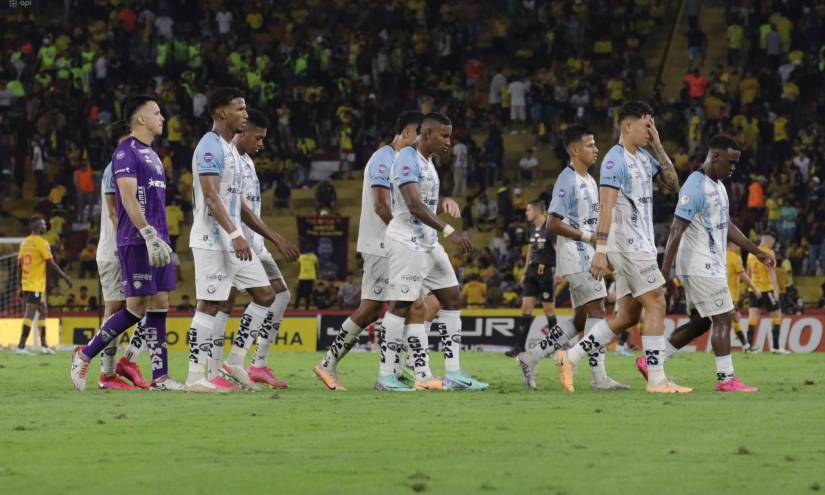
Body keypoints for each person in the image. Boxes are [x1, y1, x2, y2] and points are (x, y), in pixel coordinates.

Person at [556, 101, 688, 394]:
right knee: (657, 301)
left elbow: (673, 183)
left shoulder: (643, 157)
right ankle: (657, 380)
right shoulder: (615, 160)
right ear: (628, 126)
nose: (650, 131)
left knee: (627, 315)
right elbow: (606, 207)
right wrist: (600, 251)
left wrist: (659, 147)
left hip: (641, 242)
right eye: (646, 125)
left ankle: (571, 356)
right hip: (627, 244)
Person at [314, 111, 450, 391]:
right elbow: (381, 205)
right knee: (396, 306)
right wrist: (403, 235)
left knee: (392, 306)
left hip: (398, 244)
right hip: (382, 244)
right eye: (418, 133)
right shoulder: (383, 159)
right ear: (406, 133)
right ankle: (402, 372)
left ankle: (402, 370)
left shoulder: (412, 162)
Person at [639, 135, 769, 392]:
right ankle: (726, 378)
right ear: (715, 157)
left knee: (702, 322)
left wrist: (757, 251)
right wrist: (665, 271)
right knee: (723, 318)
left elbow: (726, 225)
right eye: (730, 162)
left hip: (707, 265)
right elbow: (676, 230)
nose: (733, 168)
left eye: (736, 163)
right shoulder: (695, 186)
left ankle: (652, 360)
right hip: (702, 266)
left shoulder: (718, 186)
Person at [71, 95, 181, 391]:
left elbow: (156, 202)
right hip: (136, 241)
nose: (163, 118)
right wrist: (147, 234)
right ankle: (85, 354)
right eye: (157, 113)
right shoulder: (124, 153)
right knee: (135, 308)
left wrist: (162, 239)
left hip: (158, 241)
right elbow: (127, 200)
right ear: (141, 119)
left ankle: (161, 376)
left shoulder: (154, 155)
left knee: (160, 304)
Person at [184, 88, 291, 392]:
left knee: (266, 295)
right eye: (240, 109)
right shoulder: (209, 146)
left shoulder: (229, 149)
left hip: (234, 241)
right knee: (209, 303)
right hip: (212, 240)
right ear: (222, 113)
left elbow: (237, 204)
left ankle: (234, 361)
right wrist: (234, 235)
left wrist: (261, 234)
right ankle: (195, 377)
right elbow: (211, 196)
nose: (246, 114)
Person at [377, 112, 487, 391]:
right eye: (445, 136)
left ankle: (453, 372)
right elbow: (413, 204)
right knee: (402, 306)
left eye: (450, 136)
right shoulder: (406, 158)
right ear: (427, 135)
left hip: (427, 242)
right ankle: (385, 375)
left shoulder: (428, 164)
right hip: (406, 241)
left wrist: (444, 204)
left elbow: (425, 203)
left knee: (451, 297)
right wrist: (451, 231)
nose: (449, 142)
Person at [516, 125, 628, 390]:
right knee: (598, 309)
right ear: (575, 150)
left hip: (586, 252)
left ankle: (530, 357)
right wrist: (588, 238)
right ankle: (598, 377)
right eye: (590, 145)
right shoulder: (567, 180)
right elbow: (553, 224)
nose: (596, 149)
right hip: (576, 254)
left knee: (581, 319)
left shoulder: (589, 179)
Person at [210, 109, 298, 390]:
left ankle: (255, 364)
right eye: (258, 138)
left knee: (279, 295)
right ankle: (223, 365)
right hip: (239, 243)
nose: (261, 144)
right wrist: (276, 237)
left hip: (254, 244)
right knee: (232, 300)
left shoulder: (245, 160)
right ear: (243, 132)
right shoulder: (230, 158)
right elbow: (240, 209)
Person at [505, 200, 557, 357]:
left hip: (546, 271)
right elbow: (530, 250)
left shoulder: (550, 228)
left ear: (537, 211)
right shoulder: (532, 228)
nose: (526, 213)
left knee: (548, 309)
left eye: (528, 210)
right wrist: (525, 271)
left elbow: (558, 250)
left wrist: (560, 272)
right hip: (532, 273)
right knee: (526, 307)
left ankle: (555, 346)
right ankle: (519, 347)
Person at [16, 215, 73, 355]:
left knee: (43, 311)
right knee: (30, 314)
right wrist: (65, 277)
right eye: (42, 224)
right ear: (36, 227)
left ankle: (44, 345)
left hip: (29, 283)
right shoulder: (42, 243)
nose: (45, 226)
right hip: (35, 284)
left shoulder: (25, 243)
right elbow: (51, 263)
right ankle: (21, 347)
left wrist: (20, 285)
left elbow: (20, 265)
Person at [745, 232, 788, 354]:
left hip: (753, 290)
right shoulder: (769, 253)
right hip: (766, 289)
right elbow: (771, 272)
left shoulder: (750, 254)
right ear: (769, 241)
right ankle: (775, 347)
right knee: (777, 316)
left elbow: (748, 273)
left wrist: (751, 287)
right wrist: (776, 290)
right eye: (772, 243)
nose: (772, 245)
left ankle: (749, 347)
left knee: (753, 318)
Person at [726, 242, 760, 348]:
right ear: (731, 244)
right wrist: (754, 288)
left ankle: (746, 346)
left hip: (720, 294)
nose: (739, 246)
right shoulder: (735, 258)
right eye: (737, 244)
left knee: (732, 320)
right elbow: (742, 275)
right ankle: (746, 346)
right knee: (732, 319)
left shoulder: (720, 256)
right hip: (730, 295)